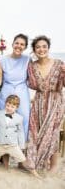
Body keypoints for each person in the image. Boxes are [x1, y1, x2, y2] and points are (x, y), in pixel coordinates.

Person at [26, 36, 65, 175]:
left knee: (53, 133)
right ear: (34, 50)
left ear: (48, 48)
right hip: (38, 102)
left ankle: (54, 164)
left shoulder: (59, 64)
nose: (41, 49)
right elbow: (28, 83)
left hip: (55, 102)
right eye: (38, 47)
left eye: (44, 46)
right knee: (35, 133)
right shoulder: (32, 66)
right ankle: (37, 161)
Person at [0, 34, 30, 140]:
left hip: (22, 93)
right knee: (4, 120)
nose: (19, 46)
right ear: (12, 44)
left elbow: (33, 79)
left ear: (25, 47)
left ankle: (20, 150)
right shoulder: (2, 60)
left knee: (23, 119)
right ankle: (4, 149)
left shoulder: (28, 60)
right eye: (17, 43)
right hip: (6, 93)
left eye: (22, 44)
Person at [0, 95, 26, 171]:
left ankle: (35, 173)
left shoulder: (19, 118)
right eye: (7, 105)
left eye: (12, 107)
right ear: (5, 104)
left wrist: (21, 145)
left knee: (23, 159)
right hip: (0, 142)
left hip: (13, 144)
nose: (9, 108)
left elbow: (21, 132)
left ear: (17, 108)